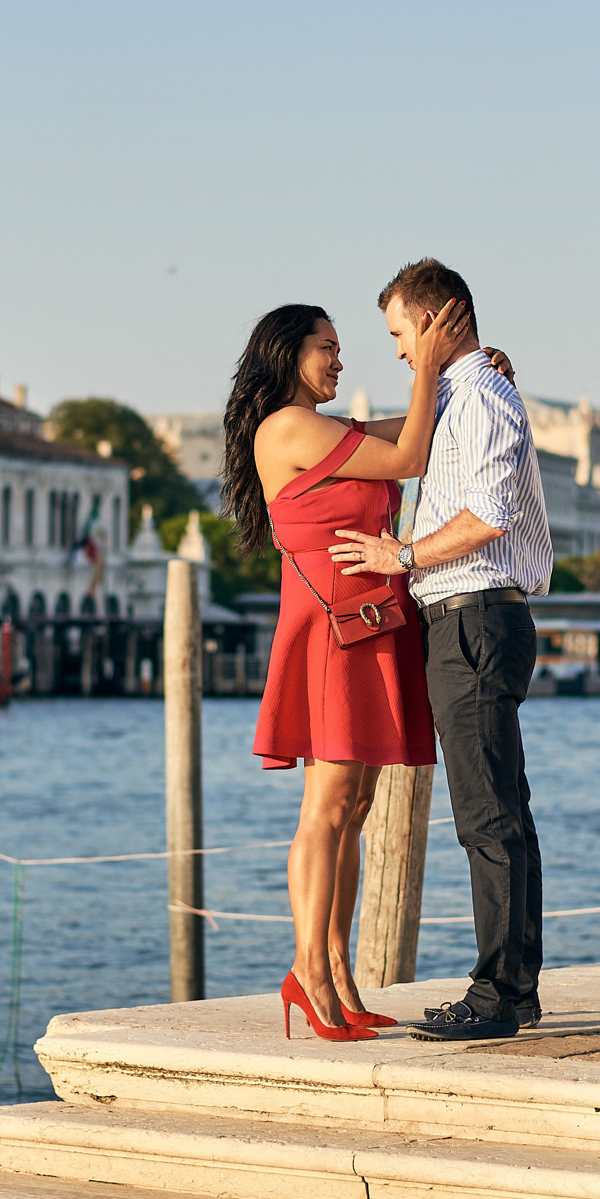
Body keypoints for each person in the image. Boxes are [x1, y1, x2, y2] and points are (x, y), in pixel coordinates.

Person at [229, 298, 473, 1042]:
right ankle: (309, 973)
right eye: (326, 347)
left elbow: (411, 435)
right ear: (286, 352)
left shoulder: (327, 429)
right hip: (333, 632)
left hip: (369, 620)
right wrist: (428, 364)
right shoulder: (287, 426)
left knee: (357, 807)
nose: (339, 360)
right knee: (328, 805)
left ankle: (337, 970)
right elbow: (406, 460)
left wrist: (463, 376)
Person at [330, 259, 552, 1042]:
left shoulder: (483, 395)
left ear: (436, 317)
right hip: (470, 621)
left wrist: (405, 555)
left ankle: (497, 995)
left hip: (475, 619)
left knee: (488, 817)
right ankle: (511, 986)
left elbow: (488, 513)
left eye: (399, 332)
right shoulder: (464, 393)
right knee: (502, 813)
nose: (395, 351)